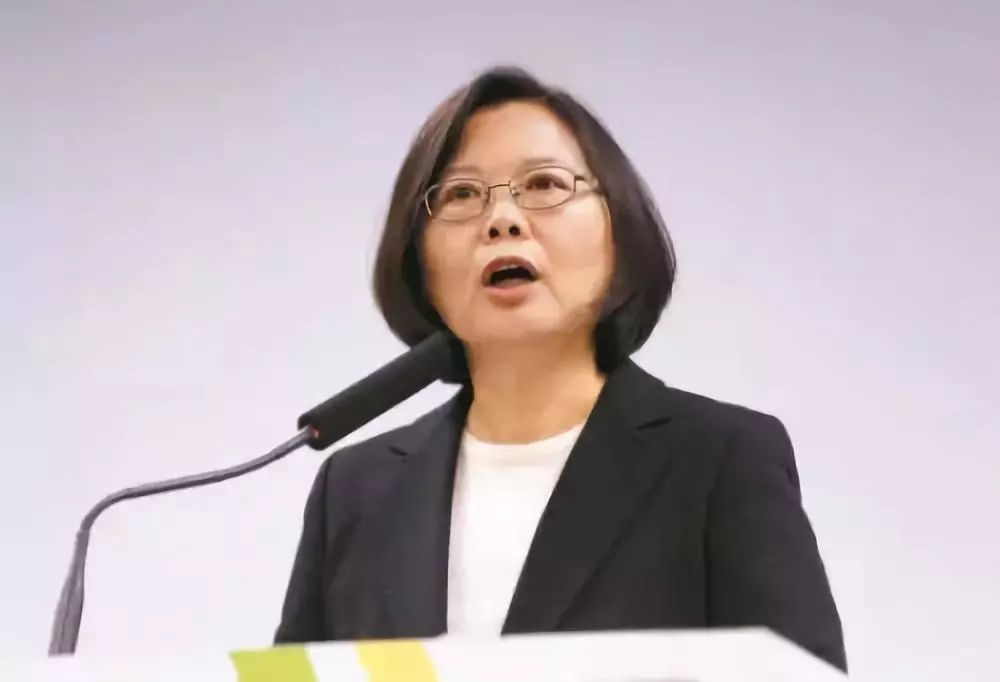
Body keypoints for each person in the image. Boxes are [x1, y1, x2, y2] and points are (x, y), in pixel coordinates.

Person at [274, 66, 847, 672]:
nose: (502, 220)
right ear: (418, 259)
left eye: (544, 184)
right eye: (461, 194)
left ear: (618, 232)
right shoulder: (355, 490)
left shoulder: (720, 459)